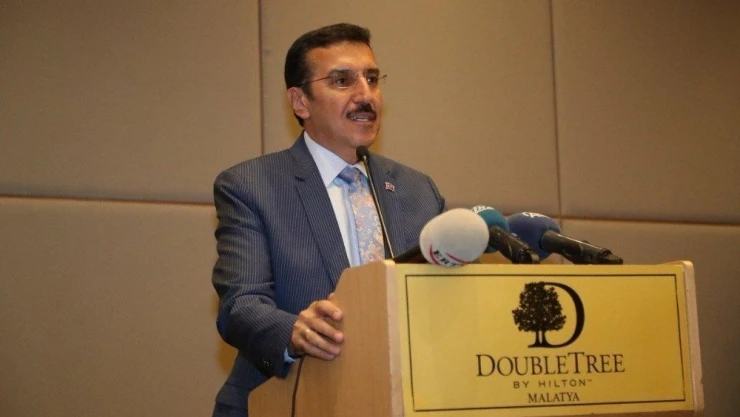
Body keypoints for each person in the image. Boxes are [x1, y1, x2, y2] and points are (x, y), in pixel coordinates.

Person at [211, 23, 446, 416]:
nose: (365, 95)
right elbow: (241, 304)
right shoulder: (252, 186)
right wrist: (295, 332)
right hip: (287, 401)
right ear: (300, 102)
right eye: (342, 81)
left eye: (372, 79)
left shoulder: (418, 190)